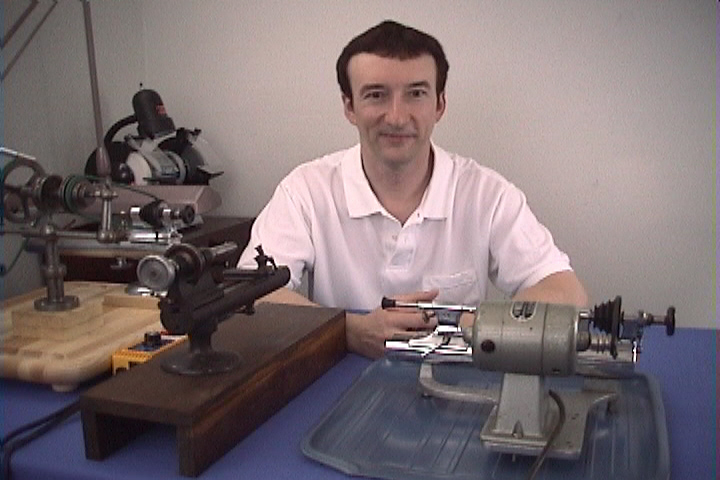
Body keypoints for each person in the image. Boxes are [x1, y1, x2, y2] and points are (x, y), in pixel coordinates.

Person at [238, 20, 588, 358]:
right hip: (340, 375)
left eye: (416, 94)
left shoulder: (487, 194)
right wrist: (347, 330)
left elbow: (565, 291)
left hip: (455, 378)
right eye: (376, 95)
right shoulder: (306, 191)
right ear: (349, 107)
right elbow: (250, 294)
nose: (396, 116)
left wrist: (475, 325)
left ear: (439, 105)